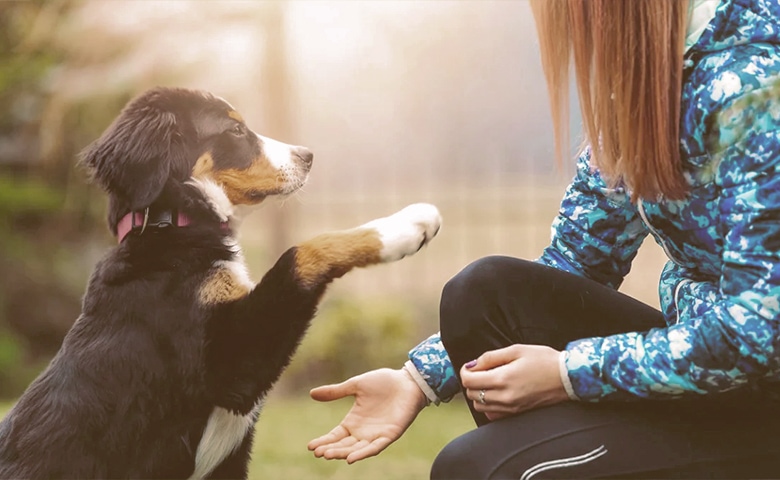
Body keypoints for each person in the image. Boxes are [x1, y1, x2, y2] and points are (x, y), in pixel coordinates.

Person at [308, 0, 780, 477]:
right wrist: (418, 379)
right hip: (714, 382)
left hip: (764, 397)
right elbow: (580, 257)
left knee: (475, 467)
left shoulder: (758, 85)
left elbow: (758, 332)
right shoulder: (656, 76)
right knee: (484, 291)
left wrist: (567, 374)